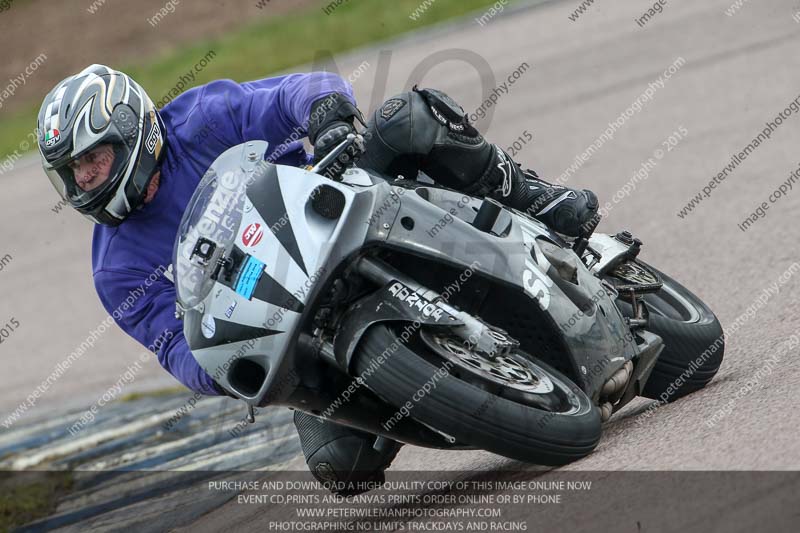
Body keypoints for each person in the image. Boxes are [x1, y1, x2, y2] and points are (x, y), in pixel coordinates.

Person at [38, 64, 598, 494]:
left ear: (132, 132)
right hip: (292, 325)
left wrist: (327, 117)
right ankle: (462, 397)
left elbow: (297, 91)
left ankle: (534, 198)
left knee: (404, 116)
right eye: (72, 170)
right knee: (341, 466)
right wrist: (218, 366)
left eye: (93, 159)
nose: (83, 179)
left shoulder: (201, 117)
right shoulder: (116, 270)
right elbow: (173, 346)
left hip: (336, 206)